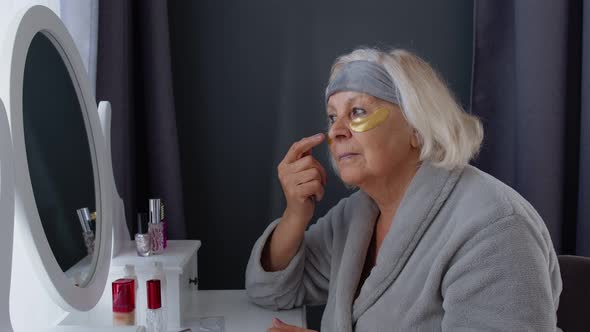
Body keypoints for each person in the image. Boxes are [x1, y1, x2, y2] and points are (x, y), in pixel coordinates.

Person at [245, 48, 562, 332]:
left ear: (417, 128)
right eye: (332, 117)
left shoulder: (495, 228)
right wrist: (295, 215)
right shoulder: (358, 215)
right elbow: (272, 291)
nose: (336, 131)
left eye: (357, 112)